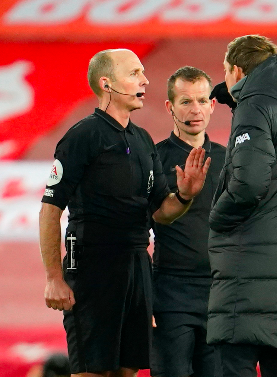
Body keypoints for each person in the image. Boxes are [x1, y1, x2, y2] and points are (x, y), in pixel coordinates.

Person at [39, 49, 210, 377]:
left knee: (127, 370)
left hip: (136, 266)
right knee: (93, 371)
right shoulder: (82, 137)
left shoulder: (143, 140)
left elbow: (161, 212)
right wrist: (54, 278)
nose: (144, 80)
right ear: (107, 84)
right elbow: (50, 210)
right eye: (133, 73)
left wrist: (185, 195)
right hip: (91, 265)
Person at [207, 35, 277, 377]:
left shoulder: (253, 108)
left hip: (250, 269)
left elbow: (248, 185)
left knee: (235, 366)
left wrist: (216, 219)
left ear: (237, 70)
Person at [150, 66, 226, 377]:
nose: (195, 109)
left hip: (220, 296)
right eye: (185, 102)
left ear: (212, 104)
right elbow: (138, 228)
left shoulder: (230, 159)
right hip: (171, 294)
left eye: (201, 100)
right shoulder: (152, 159)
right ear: (169, 107)